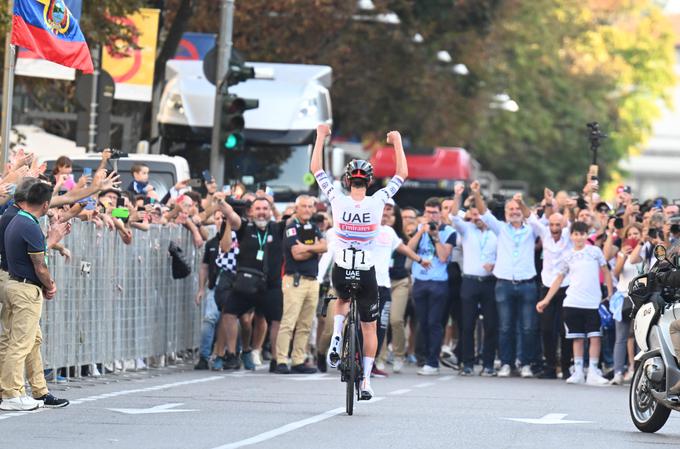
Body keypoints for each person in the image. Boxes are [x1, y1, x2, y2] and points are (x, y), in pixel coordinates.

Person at [312, 124, 407, 400]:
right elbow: (402, 173)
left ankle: (337, 335)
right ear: (369, 181)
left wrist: (320, 137)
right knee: (369, 327)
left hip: (342, 267)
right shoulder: (379, 200)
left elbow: (316, 168)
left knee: (341, 299)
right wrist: (397, 142)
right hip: (367, 271)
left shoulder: (336, 199)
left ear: (346, 181)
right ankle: (366, 380)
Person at [0, 182, 70, 410]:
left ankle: (24, 391)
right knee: (19, 344)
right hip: (24, 289)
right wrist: (49, 284)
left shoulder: (17, 219)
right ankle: (11, 393)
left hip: (16, 285)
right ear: (46, 204)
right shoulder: (27, 224)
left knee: (27, 340)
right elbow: (39, 265)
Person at [471, 181, 542, 378]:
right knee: (505, 327)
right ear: (506, 212)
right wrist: (476, 193)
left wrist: (523, 203)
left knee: (528, 327)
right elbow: (484, 213)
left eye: (517, 209)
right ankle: (506, 363)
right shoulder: (501, 228)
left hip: (527, 284)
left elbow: (534, 220)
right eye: (511, 209)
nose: (514, 211)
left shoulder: (531, 230)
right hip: (504, 284)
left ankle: (525, 363)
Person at [537, 221, 613, 386]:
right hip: (573, 301)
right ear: (571, 236)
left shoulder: (595, 252)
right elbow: (558, 279)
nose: (579, 237)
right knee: (576, 338)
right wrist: (546, 300)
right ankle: (578, 370)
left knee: (595, 337)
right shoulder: (567, 256)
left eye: (583, 234)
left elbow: (606, 272)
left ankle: (592, 371)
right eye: (576, 234)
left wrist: (610, 293)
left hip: (593, 302)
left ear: (587, 235)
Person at [220, 197, 285, 371]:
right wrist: (220, 200)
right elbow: (231, 215)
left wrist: (274, 205)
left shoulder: (277, 228)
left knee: (276, 321)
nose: (262, 212)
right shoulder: (245, 227)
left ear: (270, 211)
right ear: (251, 211)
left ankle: (276, 359)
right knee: (229, 314)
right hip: (246, 284)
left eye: (265, 208)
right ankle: (233, 354)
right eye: (258, 208)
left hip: (271, 285)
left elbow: (288, 218)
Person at [274, 195, 327, 374]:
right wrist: (314, 250)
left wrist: (307, 249)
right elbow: (296, 254)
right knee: (289, 322)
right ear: (296, 208)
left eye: (309, 206)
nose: (306, 209)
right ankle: (281, 359)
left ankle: (298, 359)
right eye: (303, 206)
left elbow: (325, 247)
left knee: (305, 324)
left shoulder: (312, 227)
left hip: (312, 281)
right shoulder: (292, 227)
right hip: (295, 280)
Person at [450, 184, 498, 376]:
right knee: (467, 325)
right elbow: (453, 216)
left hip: (489, 282)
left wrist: (495, 265)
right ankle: (467, 363)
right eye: (474, 214)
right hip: (469, 281)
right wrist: (457, 195)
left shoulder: (496, 231)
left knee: (491, 325)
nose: (477, 217)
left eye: (479, 214)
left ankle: (488, 364)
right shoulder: (466, 229)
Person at [407, 197, 456, 375]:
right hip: (420, 281)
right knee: (423, 322)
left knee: (434, 322)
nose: (431, 215)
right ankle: (425, 357)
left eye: (434, 212)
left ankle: (433, 361)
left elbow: (443, 257)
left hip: (438, 282)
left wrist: (435, 237)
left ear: (441, 213)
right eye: (428, 212)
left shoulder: (449, 231)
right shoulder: (420, 228)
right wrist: (421, 233)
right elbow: (409, 249)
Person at [533, 188, 573, 379]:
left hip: (567, 287)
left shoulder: (569, 235)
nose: (555, 228)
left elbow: (572, 221)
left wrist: (568, 209)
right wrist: (548, 202)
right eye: (552, 224)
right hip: (547, 285)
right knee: (547, 329)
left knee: (565, 331)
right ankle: (550, 366)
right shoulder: (544, 233)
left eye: (558, 224)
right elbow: (530, 218)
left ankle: (566, 367)